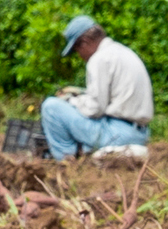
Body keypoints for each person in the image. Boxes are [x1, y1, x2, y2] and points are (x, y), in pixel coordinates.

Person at [39, 15, 151, 160]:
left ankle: (65, 162)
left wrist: (71, 101)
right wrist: (81, 95)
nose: (79, 56)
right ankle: (83, 152)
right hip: (139, 133)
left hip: (117, 133)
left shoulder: (99, 59)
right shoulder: (122, 51)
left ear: (84, 42)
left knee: (51, 107)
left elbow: (95, 109)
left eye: (76, 50)